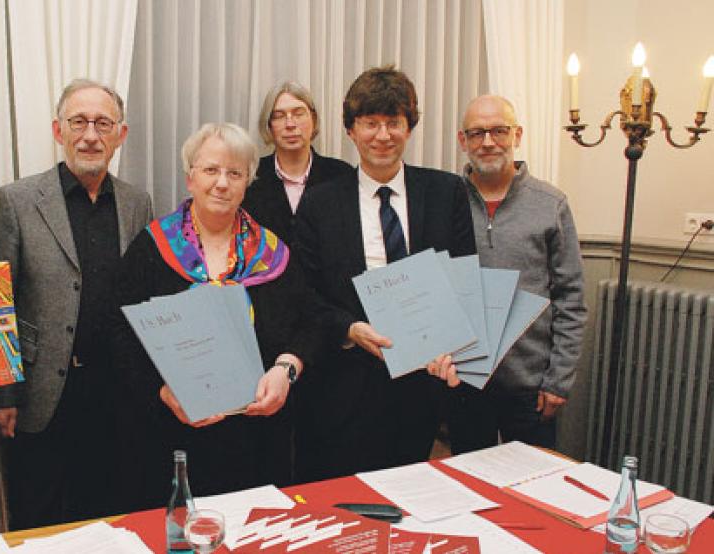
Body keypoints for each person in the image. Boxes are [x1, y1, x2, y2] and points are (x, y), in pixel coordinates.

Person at [112, 123, 322, 505]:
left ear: (247, 183)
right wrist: (161, 391)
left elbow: (310, 322)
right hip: (170, 437)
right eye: (211, 170)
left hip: (258, 440)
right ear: (190, 178)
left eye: (234, 173)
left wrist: (286, 370)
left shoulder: (273, 252)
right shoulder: (152, 248)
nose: (222, 183)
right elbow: (119, 332)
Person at [294, 65, 475, 482]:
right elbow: (305, 294)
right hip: (344, 388)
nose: (382, 135)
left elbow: (464, 282)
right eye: (370, 123)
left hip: (422, 388)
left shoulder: (446, 194)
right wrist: (350, 329)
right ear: (350, 130)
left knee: (409, 504)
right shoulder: (320, 204)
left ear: (410, 127)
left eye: (393, 122)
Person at [0, 79, 152, 528]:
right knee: (39, 521)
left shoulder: (137, 202)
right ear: (59, 131)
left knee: (110, 518)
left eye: (103, 123)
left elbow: (144, 296)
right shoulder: (17, 201)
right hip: (43, 395)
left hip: (118, 394)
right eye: (79, 122)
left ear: (121, 134)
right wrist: (2, 395)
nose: (90, 135)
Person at [448, 95, 586, 453]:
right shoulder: (446, 200)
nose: (488, 142)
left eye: (499, 131)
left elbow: (571, 297)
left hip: (531, 384)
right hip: (464, 381)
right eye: (477, 133)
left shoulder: (550, 203)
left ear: (517, 135)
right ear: (463, 141)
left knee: (530, 489)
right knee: (467, 486)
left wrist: (558, 380)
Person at [242, 81, 352, 248]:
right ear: (269, 125)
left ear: (313, 120)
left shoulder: (341, 175)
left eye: (299, 113)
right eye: (279, 116)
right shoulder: (250, 178)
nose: (290, 124)